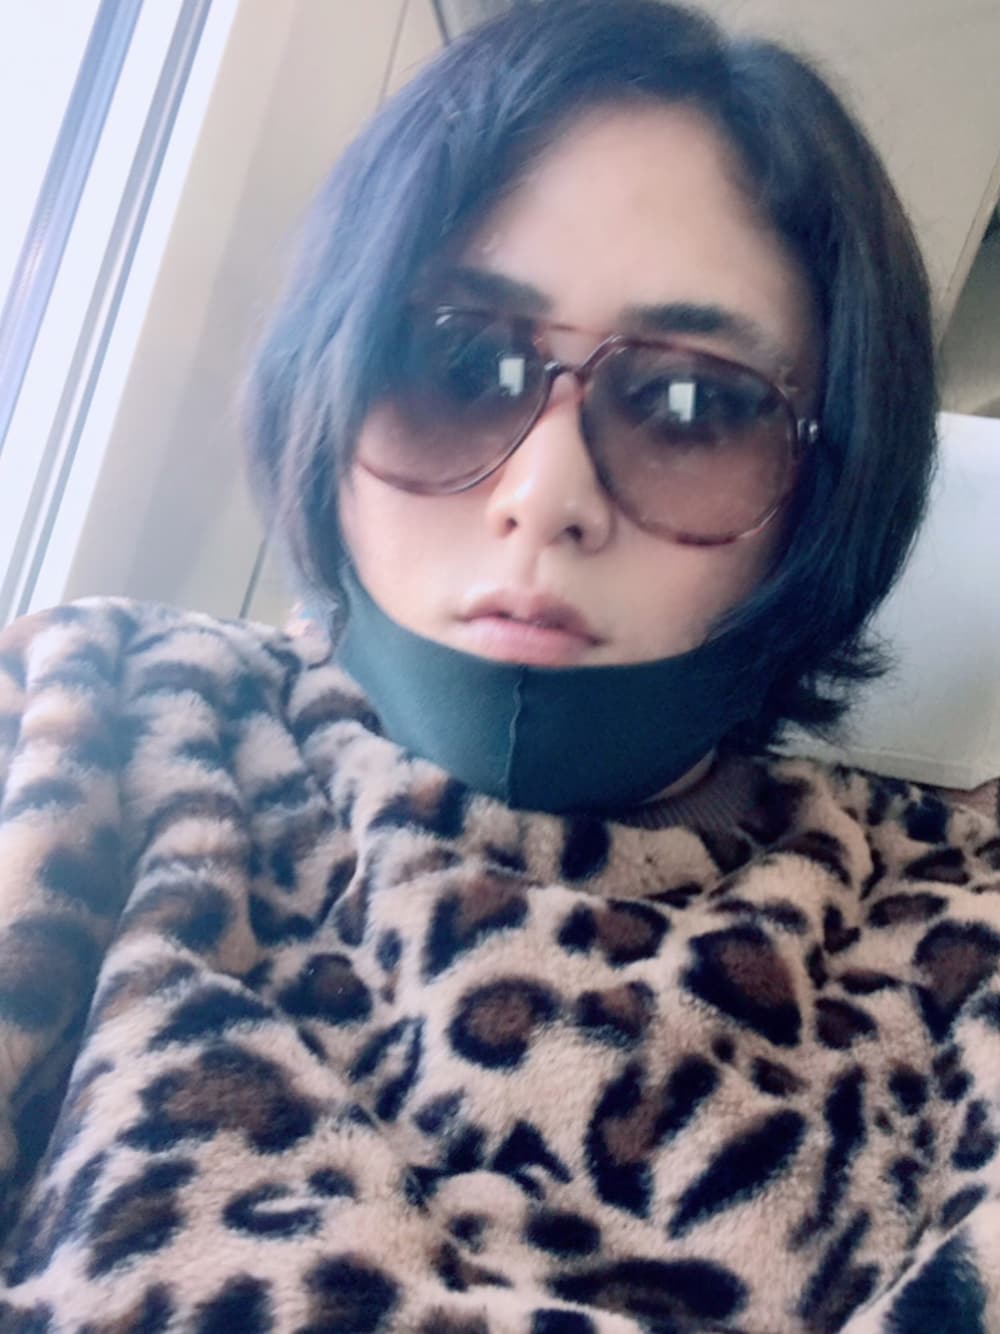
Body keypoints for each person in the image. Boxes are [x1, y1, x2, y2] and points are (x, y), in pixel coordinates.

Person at [0, 1, 997, 1329]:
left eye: (694, 403)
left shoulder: (961, 942)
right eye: (456, 361)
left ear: (829, 490)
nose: (544, 496)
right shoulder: (82, 718)